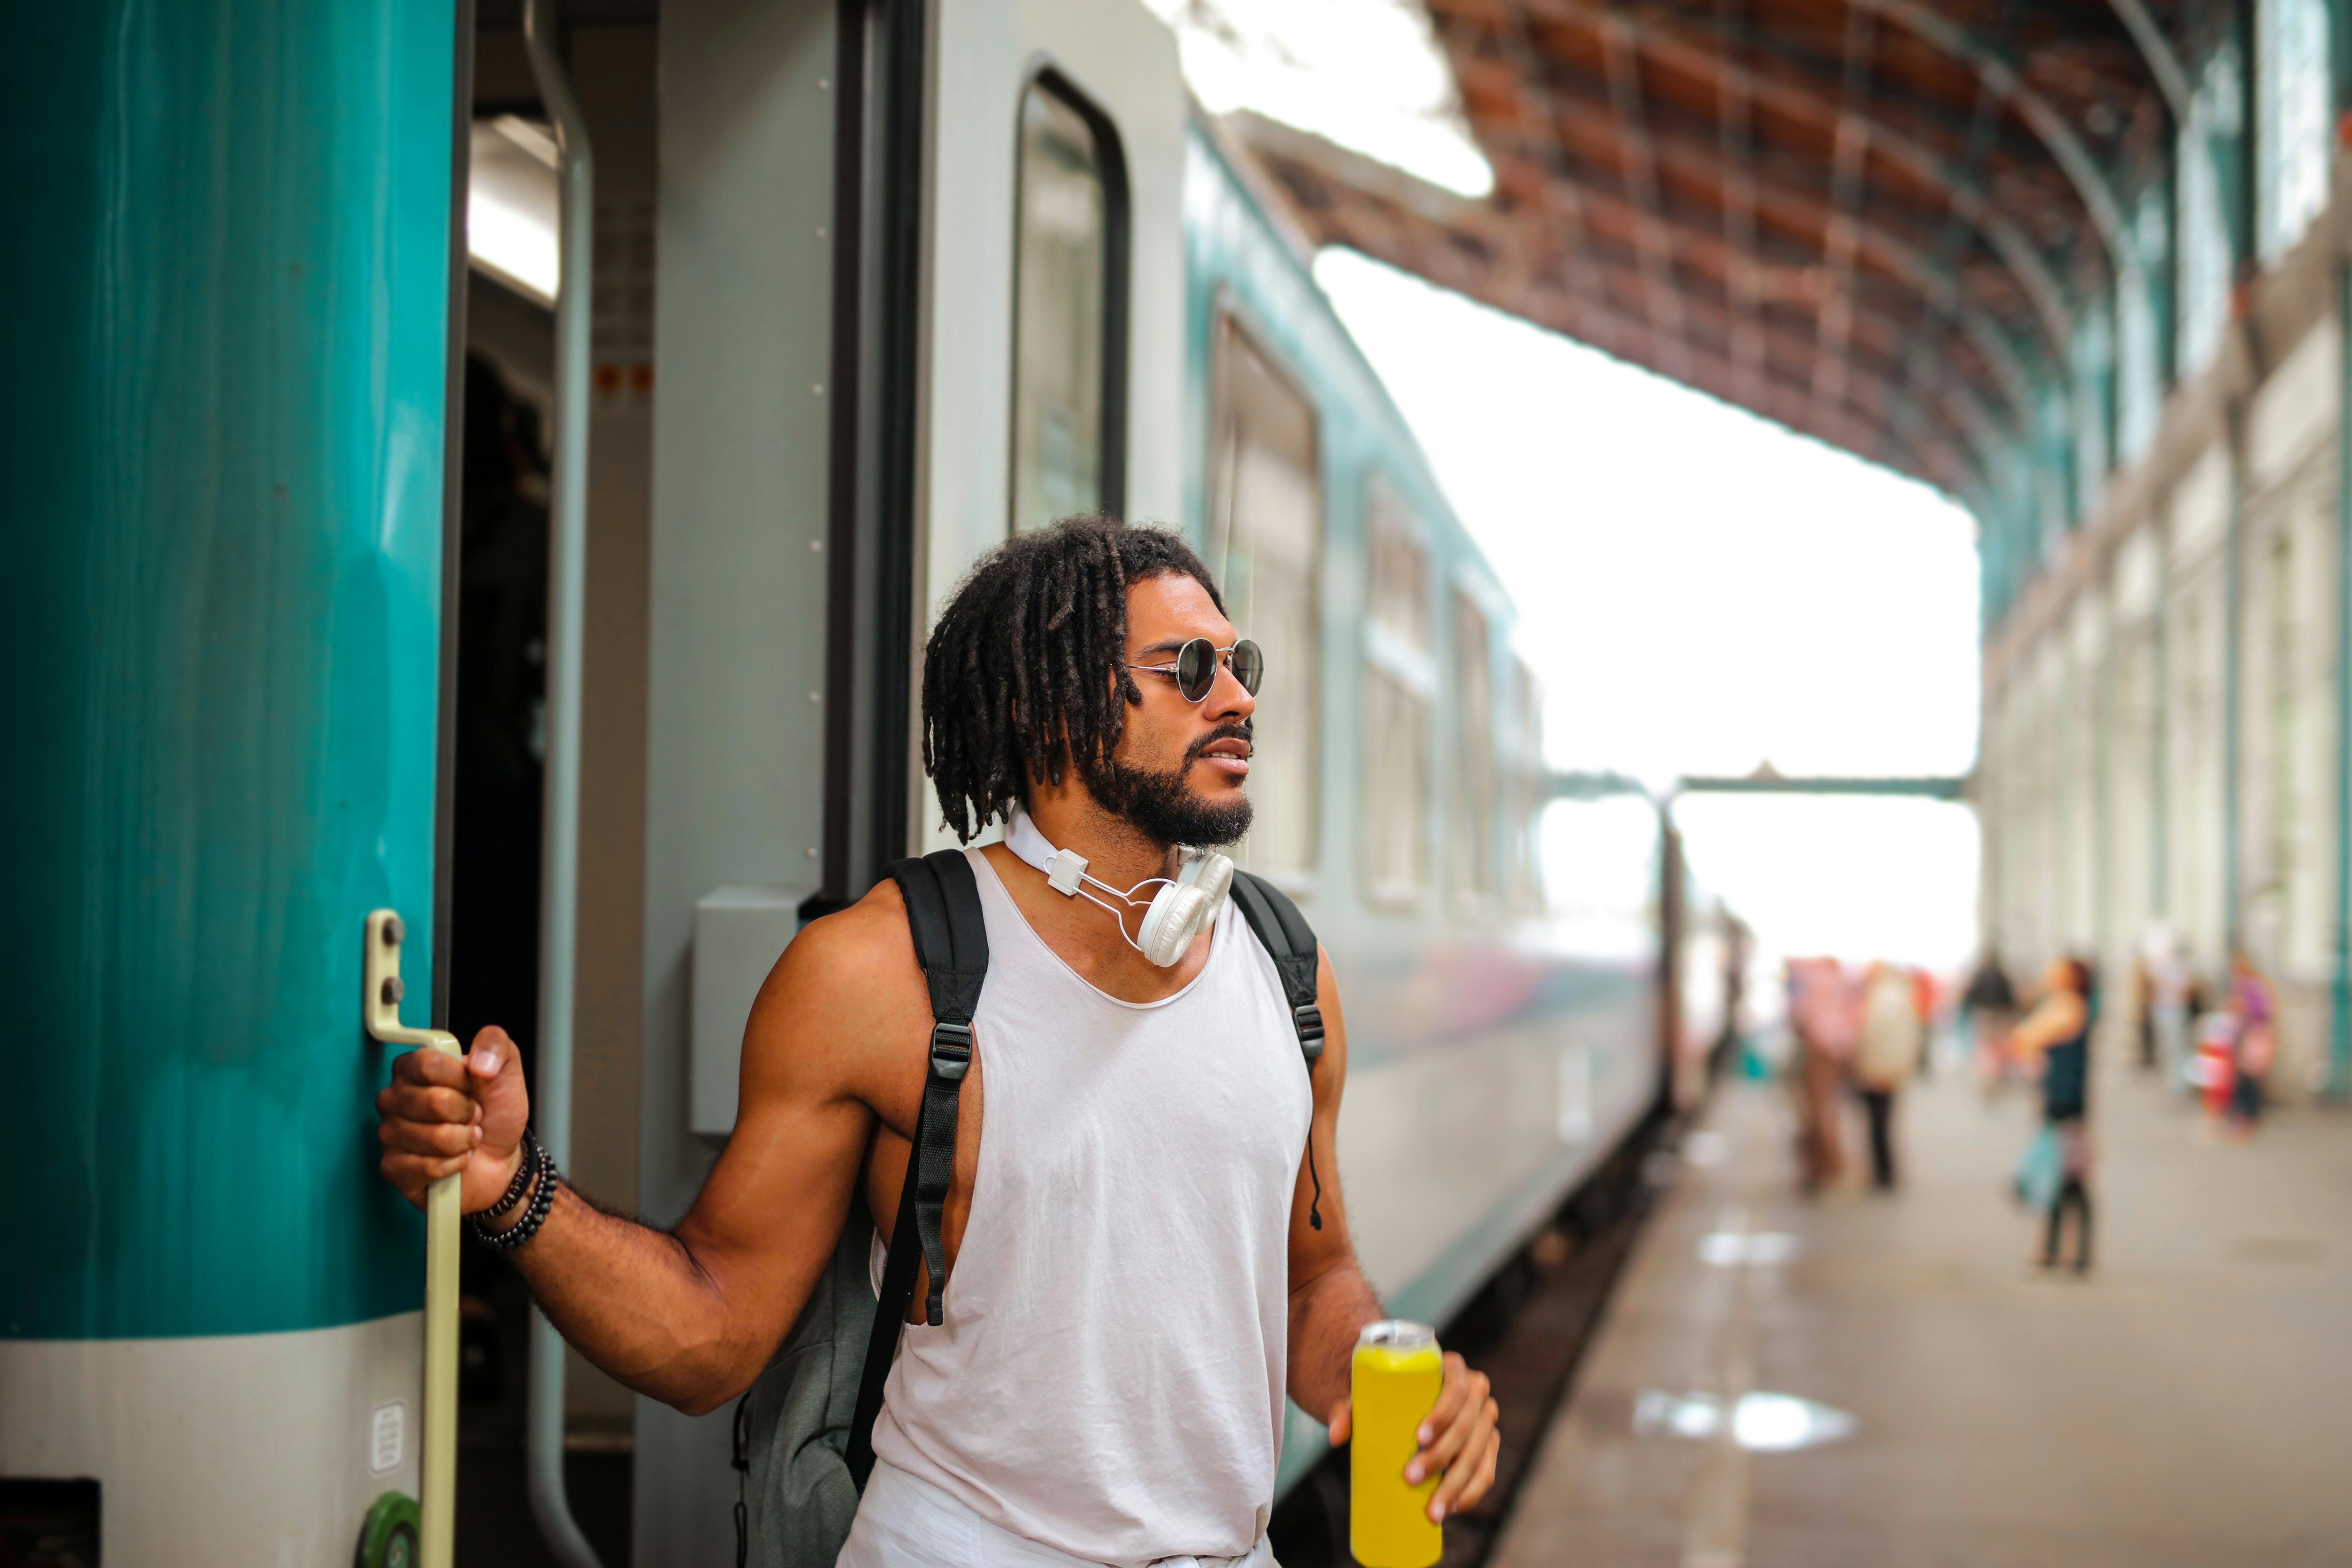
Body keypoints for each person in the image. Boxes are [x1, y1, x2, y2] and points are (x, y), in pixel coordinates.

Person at [372, 517, 1501, 1567]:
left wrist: (1384, 1366)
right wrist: (512, 1189)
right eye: (1189, 669)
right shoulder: (880, 975)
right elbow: (713, 1330)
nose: (1238, 699)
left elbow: (1314, 1281)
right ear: (1048, 707)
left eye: (1241, 664)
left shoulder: (1287, 972)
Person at [2011, 958, 2095, 1273]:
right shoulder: (2067, 1004)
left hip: (2065, 1101)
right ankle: (2056, 1249)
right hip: (2063, 1099)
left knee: (2070, 1178)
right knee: (2062, 1176)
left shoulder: (2068, 1005)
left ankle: (2070, 1252)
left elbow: (2026, 1035)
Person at [1853, 962, 1923, 1190]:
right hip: (1891, 1067)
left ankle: (1883, 1173)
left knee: (1878, 1124)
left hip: (1877, 1068)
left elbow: (1872, 1035)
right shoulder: (1902, 997)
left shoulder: (1879, 1000)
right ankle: (1886, 1171)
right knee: (1884, 1122)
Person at [2226, 950, 2278, 1135]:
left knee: (2248, 1079)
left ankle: (2247, 1115)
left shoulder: (2251, 987)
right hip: (2249, 1035)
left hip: (2253, 1036)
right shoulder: (2250, 986)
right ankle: (2245, 1115)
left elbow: (2261, 1014)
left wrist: (2242, 1009)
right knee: (2246, 1078)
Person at [1960, 949, 2017, 1097]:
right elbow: (2010, 997)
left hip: (1984, 1013)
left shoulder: (1981, 975)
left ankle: (1986, 1075)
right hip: (2000, 1014)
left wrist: (1967, 1008)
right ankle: (1996, 1075)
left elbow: (1971, 995)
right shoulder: (2002, 975)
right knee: (1998, 1046)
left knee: (1985, 1046)